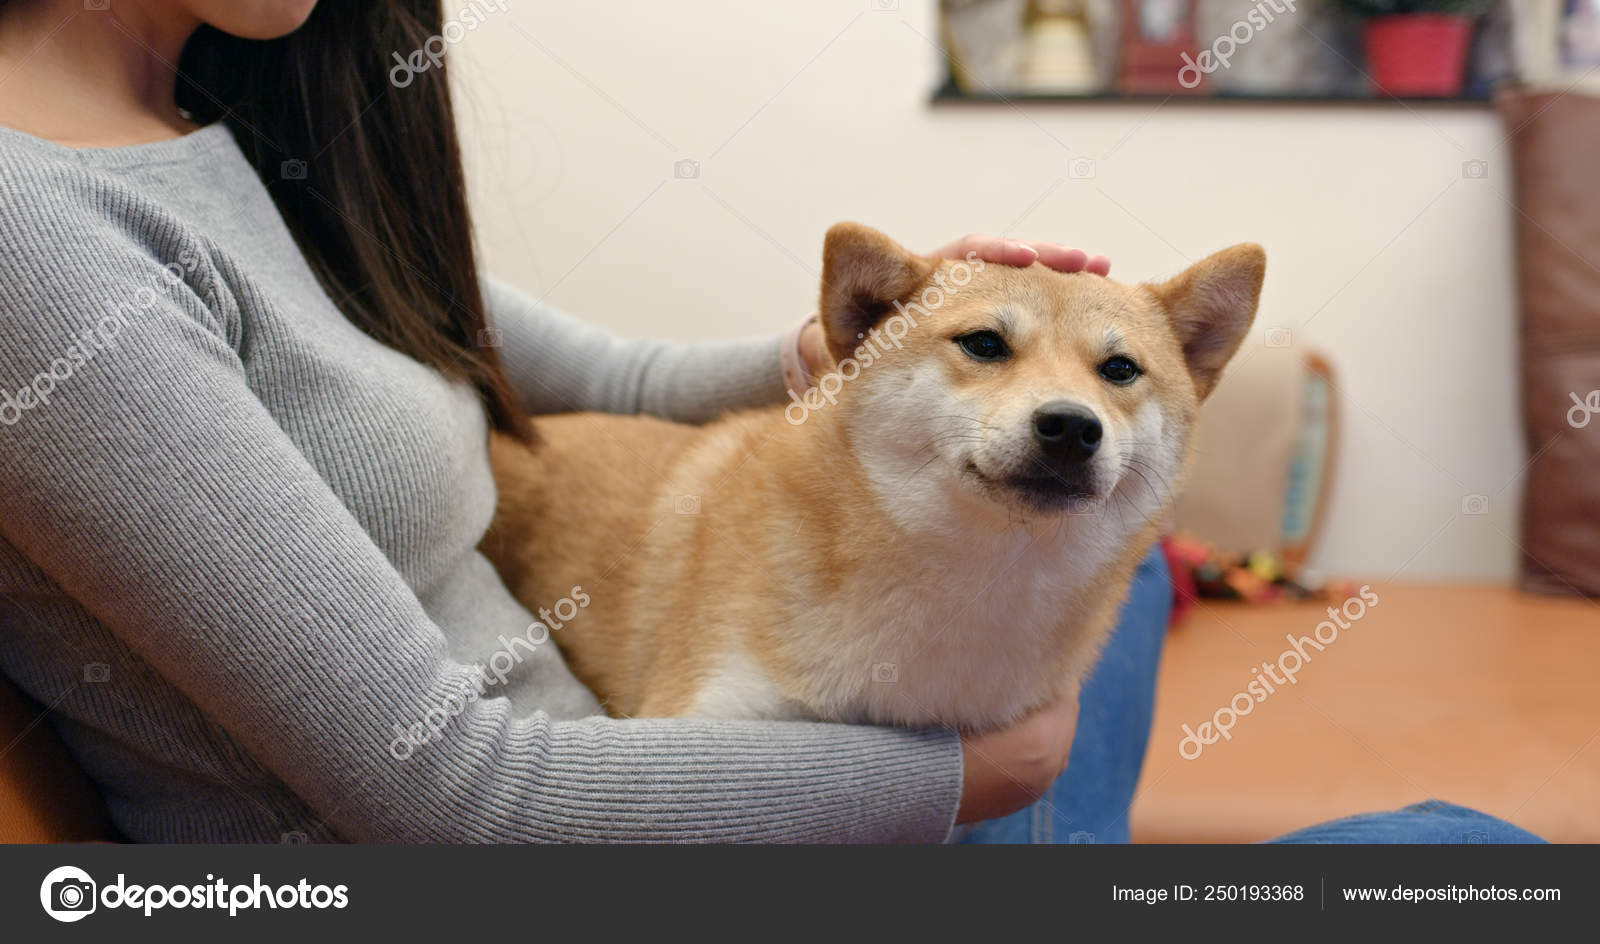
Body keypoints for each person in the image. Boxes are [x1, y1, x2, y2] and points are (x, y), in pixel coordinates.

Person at [0, 0, 1541, 844]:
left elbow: (596, 369)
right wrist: (979, 775)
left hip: (652, 781)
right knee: (1465, 863)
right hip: (574, 830)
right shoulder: (35, 245)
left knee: (1122, 584)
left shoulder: (243, 126)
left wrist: (861, 344)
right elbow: (457, 800)